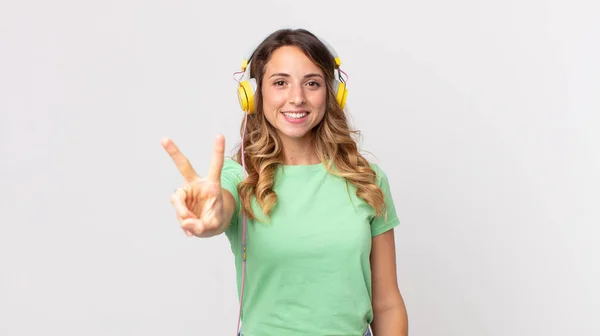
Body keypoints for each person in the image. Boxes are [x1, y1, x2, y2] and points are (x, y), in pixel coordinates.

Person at [161, 28, 408, 336]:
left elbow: (386, 303)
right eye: (280, 83)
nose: (297, 98)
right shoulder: (239, 176)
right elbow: (220, 210)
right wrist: (209, 213)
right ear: (253, 94)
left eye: (312, 83)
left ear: (332, 93)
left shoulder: (367, 180)